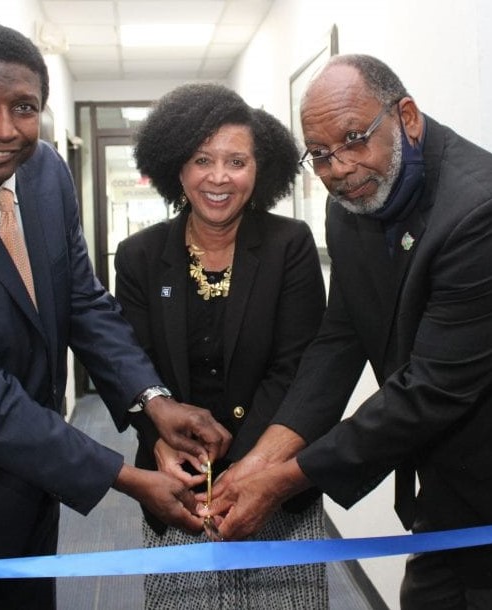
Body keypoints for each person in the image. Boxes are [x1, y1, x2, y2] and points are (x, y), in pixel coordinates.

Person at [0, 23, 232, 610]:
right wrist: (127, 479)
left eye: (23, 108)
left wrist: (153, 399)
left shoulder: (44, 171)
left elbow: (83, 301)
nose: (4, 129)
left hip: (32, 493)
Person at [205, 53, 492, 609]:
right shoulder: (355, 199)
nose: (337, 168)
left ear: (405, 117)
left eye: (355, 138)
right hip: (444, 488)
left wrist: (286, 479)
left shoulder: (477, 213)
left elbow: (430, 390)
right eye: (319, 154)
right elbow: (341, 336)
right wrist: (263, 456)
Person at [114, 83, 328, 609]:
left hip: (273, 483)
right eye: (202, 159)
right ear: (176, 167)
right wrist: (161, 442)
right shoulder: (138, 255)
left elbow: (296, 367)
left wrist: (242, 473)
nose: (218, 177)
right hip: (177, 488)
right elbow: (129, 365)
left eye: (237, 161)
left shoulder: (290, 244)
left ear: (260, 172)